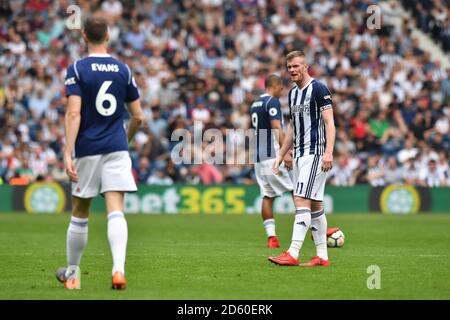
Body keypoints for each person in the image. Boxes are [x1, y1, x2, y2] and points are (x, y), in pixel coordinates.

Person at [56, 16, 144, 290]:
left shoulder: (77, 69)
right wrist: (125, 140)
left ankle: (72, 275)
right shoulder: (123, 70)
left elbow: (73, 112)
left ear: (83, 36)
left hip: (88, 148)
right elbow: (138, 117)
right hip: (116, 147)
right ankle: (118, 270)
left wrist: (68, 152)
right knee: (115, 209)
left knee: (80, 212)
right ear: (108, 36)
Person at [269, 50, 336, 267]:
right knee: (315, 204)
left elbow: (329, 122)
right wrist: (281, 154)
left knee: (300, 199)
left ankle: (293, 251)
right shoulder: (292, 94)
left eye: (296, 66)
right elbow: (292, 128)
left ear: (305, 66)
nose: (292, 70)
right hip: (298, 154)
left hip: (314, 153)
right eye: (289, 67)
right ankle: (322, 256)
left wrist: (329, 152)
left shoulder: (318, 88)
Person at [250, 74, 293, 248]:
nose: (282, 91)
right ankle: (315, 231)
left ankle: (272, 238)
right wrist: (285, 153)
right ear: (274, 86)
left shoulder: (254, 104)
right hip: (273, 156)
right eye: (281, 88)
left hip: (259, 159)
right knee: (298, 191)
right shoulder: (272, 102)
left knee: (267, 196)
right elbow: (276, 127)